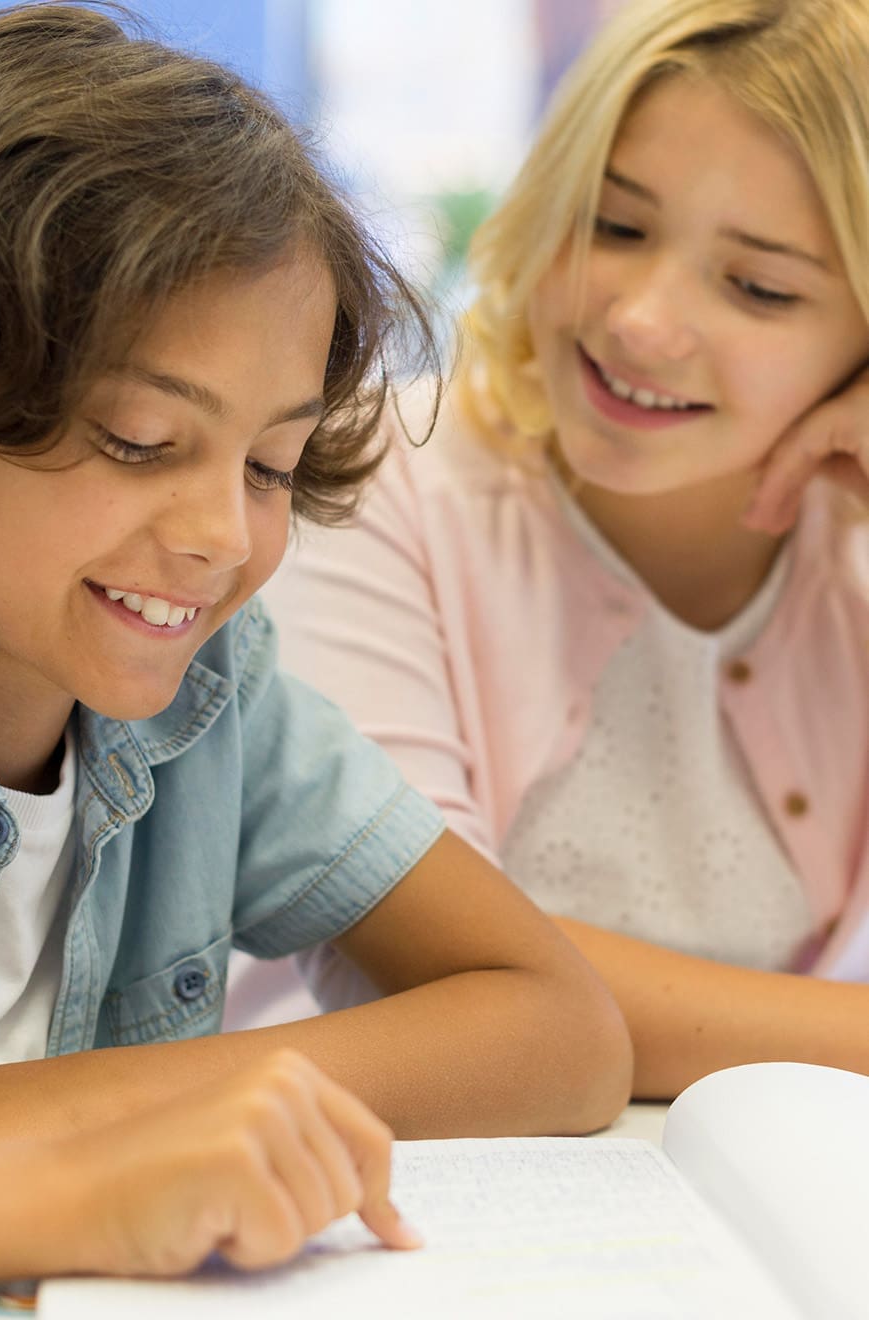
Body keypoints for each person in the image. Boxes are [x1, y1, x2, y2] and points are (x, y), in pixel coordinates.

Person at [0, 3, 632, 1305]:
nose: (215, 539)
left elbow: (556, 1030)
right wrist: (86, 1192)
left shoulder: (211, 704)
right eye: (139, 441)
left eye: (268, 467)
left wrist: (52, 1110)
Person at [254, 0, 869, 1101]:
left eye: (759, 287)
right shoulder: (367, 474)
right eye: (616, 225)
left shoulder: (852, 541)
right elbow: (433, 965)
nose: (639, 319)